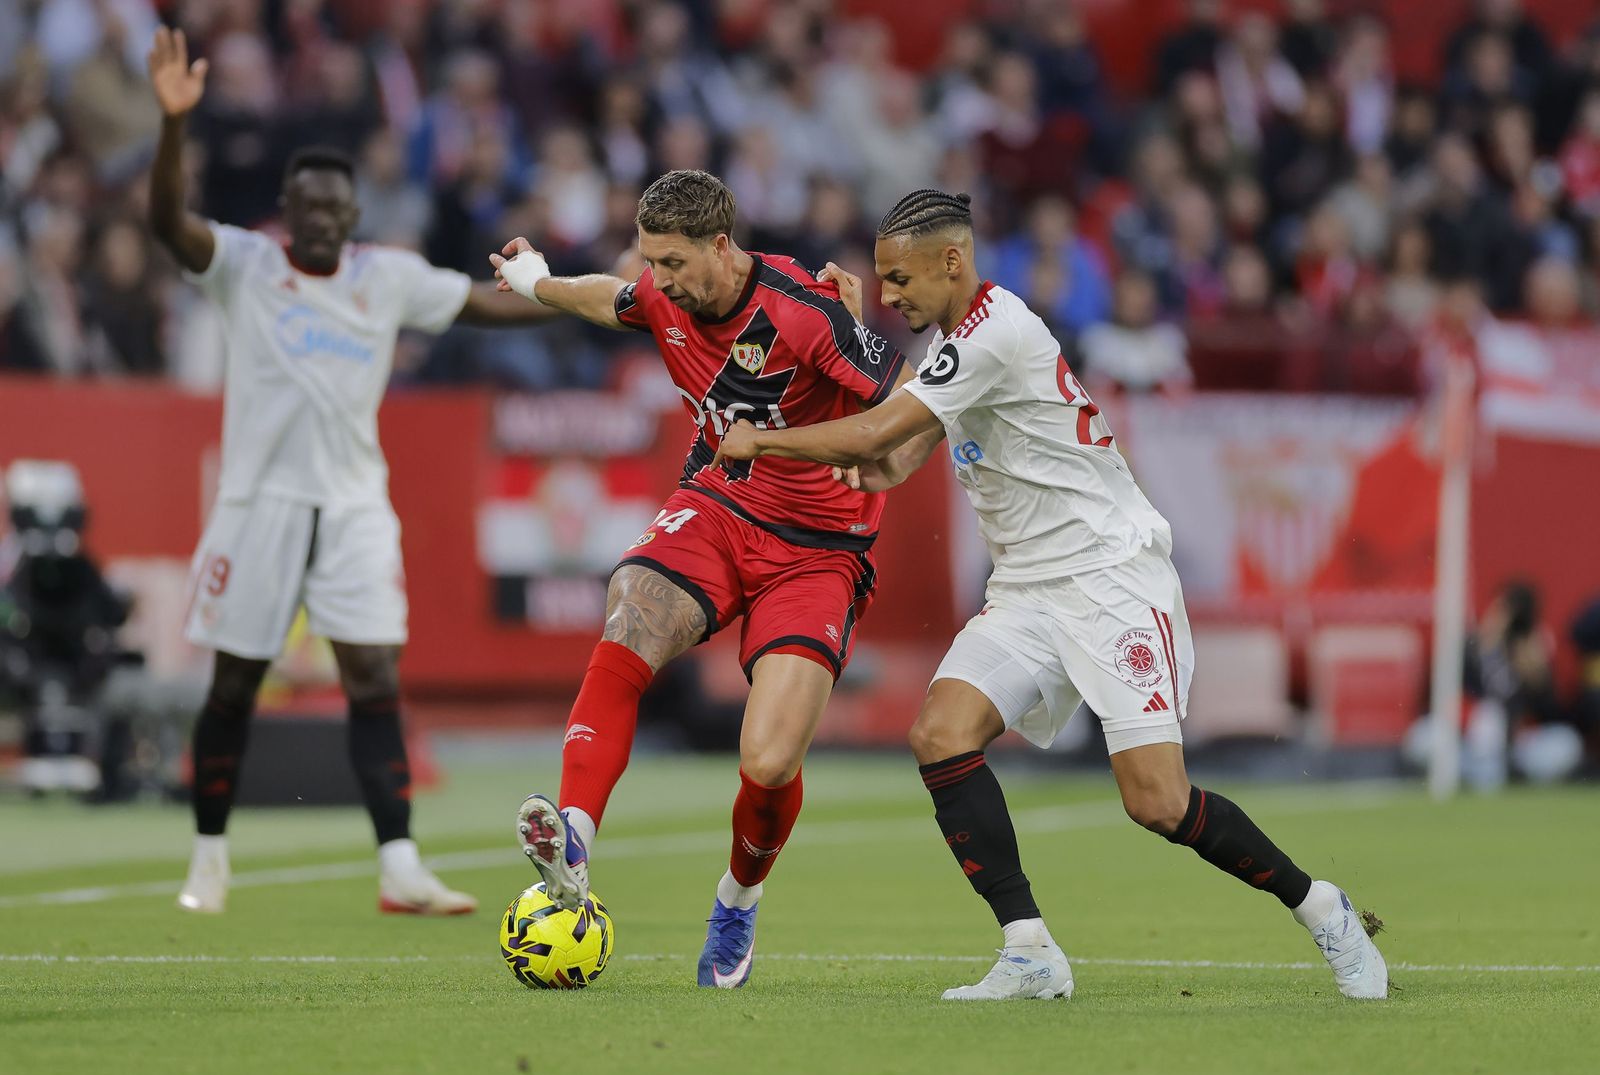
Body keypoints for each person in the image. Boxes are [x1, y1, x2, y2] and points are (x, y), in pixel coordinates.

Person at [714, 189, 1389, 1001]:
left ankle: (1323, 909)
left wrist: (765, 438)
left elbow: (873, 435)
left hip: (1110, 579)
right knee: (940, 733)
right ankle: (1029, 948)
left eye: (900, 279)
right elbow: (889, 458)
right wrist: (854, 408)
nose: (891, 295)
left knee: (1157, 800)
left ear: (953, 261)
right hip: (1029, 588)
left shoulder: (996, 331)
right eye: (882, 282)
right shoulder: (952, 350)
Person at [147, 28, 559, 916]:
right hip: (259, 504)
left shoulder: (389, 278)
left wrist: (587, 291)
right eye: (309, 207)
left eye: (338, 208)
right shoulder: (246, 266)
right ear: (288, 211)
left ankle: (400, 864)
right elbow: (165, 227)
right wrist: (174, 128)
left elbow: (486, 308)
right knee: (234, 683)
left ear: (354, 213)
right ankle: (209, 857)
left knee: (373, 676)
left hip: (353, 505)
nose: (324, 220)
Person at [490, 168, 904, 988]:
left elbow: (901, 412)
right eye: (653, 260)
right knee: (629, 619)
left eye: (674, 262)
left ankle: (738, 900)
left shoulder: (805, 308)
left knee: (770, 759)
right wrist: (535, 279)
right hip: (718, 505)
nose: (663, 280)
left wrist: (873, 457)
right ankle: (573, 835)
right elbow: (605, 297)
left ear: (722, 244)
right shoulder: (662, 293)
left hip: (820, 546)